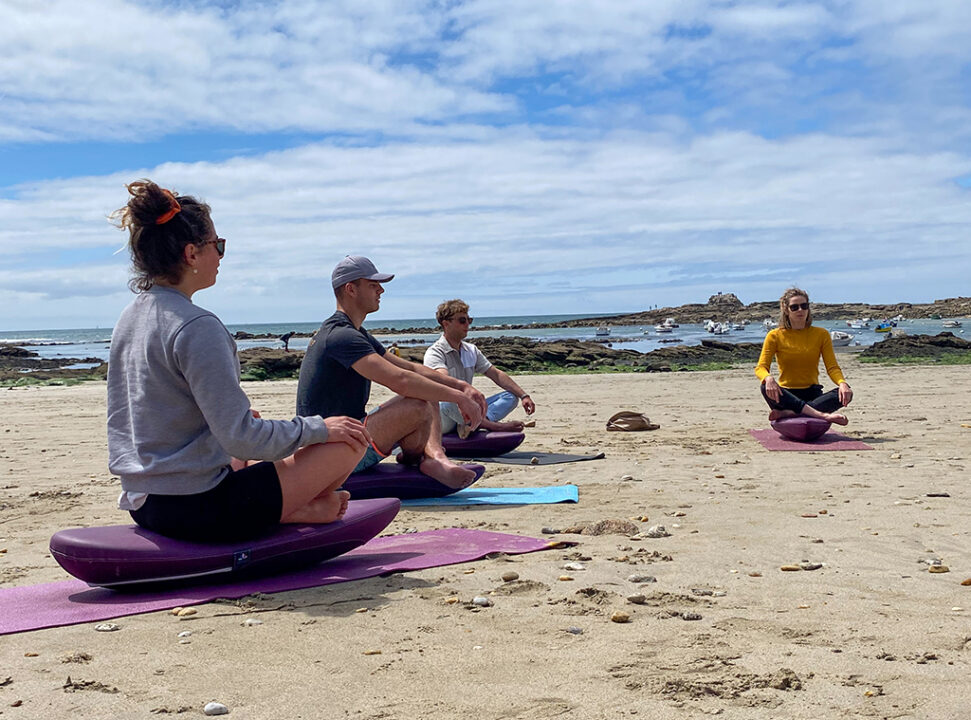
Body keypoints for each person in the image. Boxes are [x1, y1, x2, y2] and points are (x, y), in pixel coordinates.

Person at [107, 181, 369, 542]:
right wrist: (319, 428)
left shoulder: (130, 317)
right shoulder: (198, 326)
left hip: (144, 502)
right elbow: (243, 440)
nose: (221, 255)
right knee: (348, 440)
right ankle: (295, 511)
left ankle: (295, 506)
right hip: (197, 508)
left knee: (258, 428)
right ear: (191, 254)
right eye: (218, 245)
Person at [296, 257, 487, 489]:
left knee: (425, 391)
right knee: (418, 402)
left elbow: (410, 368)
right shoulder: (340, 336)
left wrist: (462, 386)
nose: (381, 290)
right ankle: (434, 457)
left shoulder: (356, 333)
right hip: (328, 452)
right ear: (351, 289)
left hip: (342, 438)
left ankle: (423, 459)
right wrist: (459, 398)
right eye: (373, 285)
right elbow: (401, 381)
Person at [424, 299, 536, 436]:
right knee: (448, 400)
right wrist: (464, 393)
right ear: (446, 324)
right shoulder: (435, 352)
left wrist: (524, 396)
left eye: (469, 320)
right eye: (462, 320)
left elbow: (495, 374)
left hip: (467, 409)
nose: (467, 324)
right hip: (444, 416)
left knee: (511, 396)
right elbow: (442, 379)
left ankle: (475, 422)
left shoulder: (471, 350)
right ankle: (492, 426)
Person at [755, 287, 854, 425]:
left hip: (812, 394)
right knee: (764, 386)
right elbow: (761, 367)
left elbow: (832, 367)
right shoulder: (774, 336)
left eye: (804, 306)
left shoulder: (821, 334)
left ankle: (791, 413)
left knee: (846, 392)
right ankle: (821, 415)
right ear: (786, 310)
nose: (800, 310)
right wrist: (768, 378)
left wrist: (842, 384)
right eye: (794, 307)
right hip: (786, 396)